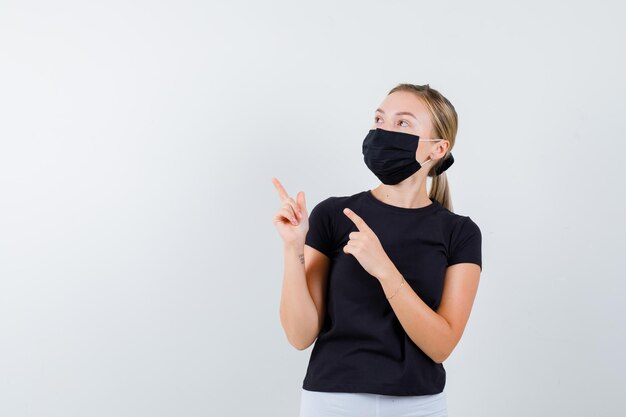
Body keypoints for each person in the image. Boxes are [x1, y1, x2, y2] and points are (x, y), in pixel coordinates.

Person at [272, 83, 482, 417]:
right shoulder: (332, 216)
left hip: (419, 405)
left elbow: (441, 346)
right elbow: (300, 335)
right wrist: (293, 249)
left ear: (437, 149)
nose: (384, 131)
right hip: (332, 400)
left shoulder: (460, 233)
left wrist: (384, 269)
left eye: (403, 123)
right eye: (379, 119)